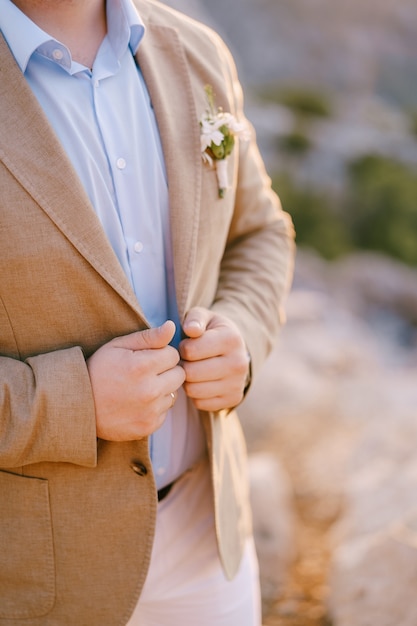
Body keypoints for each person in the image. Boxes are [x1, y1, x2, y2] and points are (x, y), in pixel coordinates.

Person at [0, 0, 295, 624]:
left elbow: (259, 232)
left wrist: (239, 330)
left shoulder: (196, 49)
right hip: (32, 575)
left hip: (208, 538)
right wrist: (70, 402)